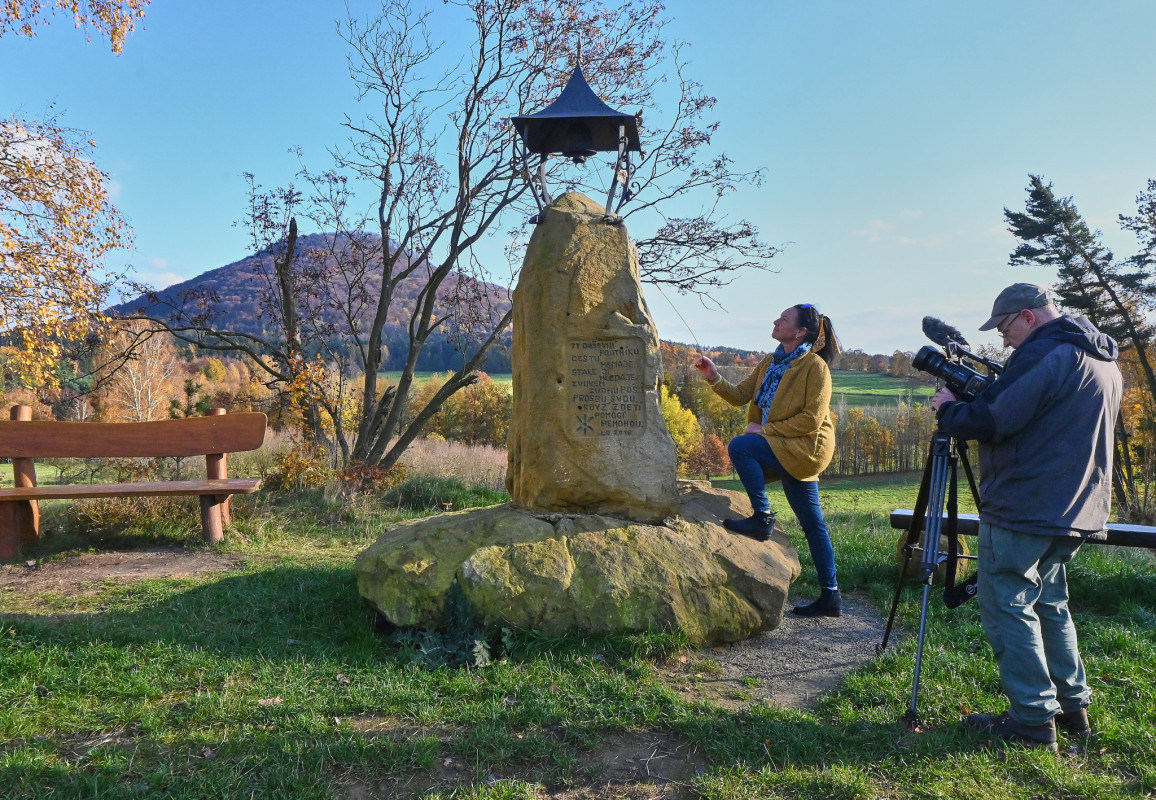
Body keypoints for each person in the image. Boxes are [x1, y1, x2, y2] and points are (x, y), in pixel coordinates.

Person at [931, 283, 1121, 752]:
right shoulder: (1101, 358)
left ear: (1027, 317)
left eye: (1005, 327)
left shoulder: (1047, 354)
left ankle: (1033, 720)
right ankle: (1072, 707)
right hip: (1078, 506)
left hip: (1027, 504)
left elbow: (995, 420)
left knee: (1008, 605)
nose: (1004, 339)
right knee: (1050, 603)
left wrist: (949, 410)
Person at [693, 304, 843, 618]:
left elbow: (812, 420)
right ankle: (831, 596)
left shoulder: (814, 366)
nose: (776, 321)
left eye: (784, 319)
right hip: (782, 444)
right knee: (813, 524)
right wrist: (714, 376)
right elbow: (739, 395)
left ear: (801, 331)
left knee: (741, 446)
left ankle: (762, 518)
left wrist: (765, 430)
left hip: (805, 448)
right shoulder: (770, 362)